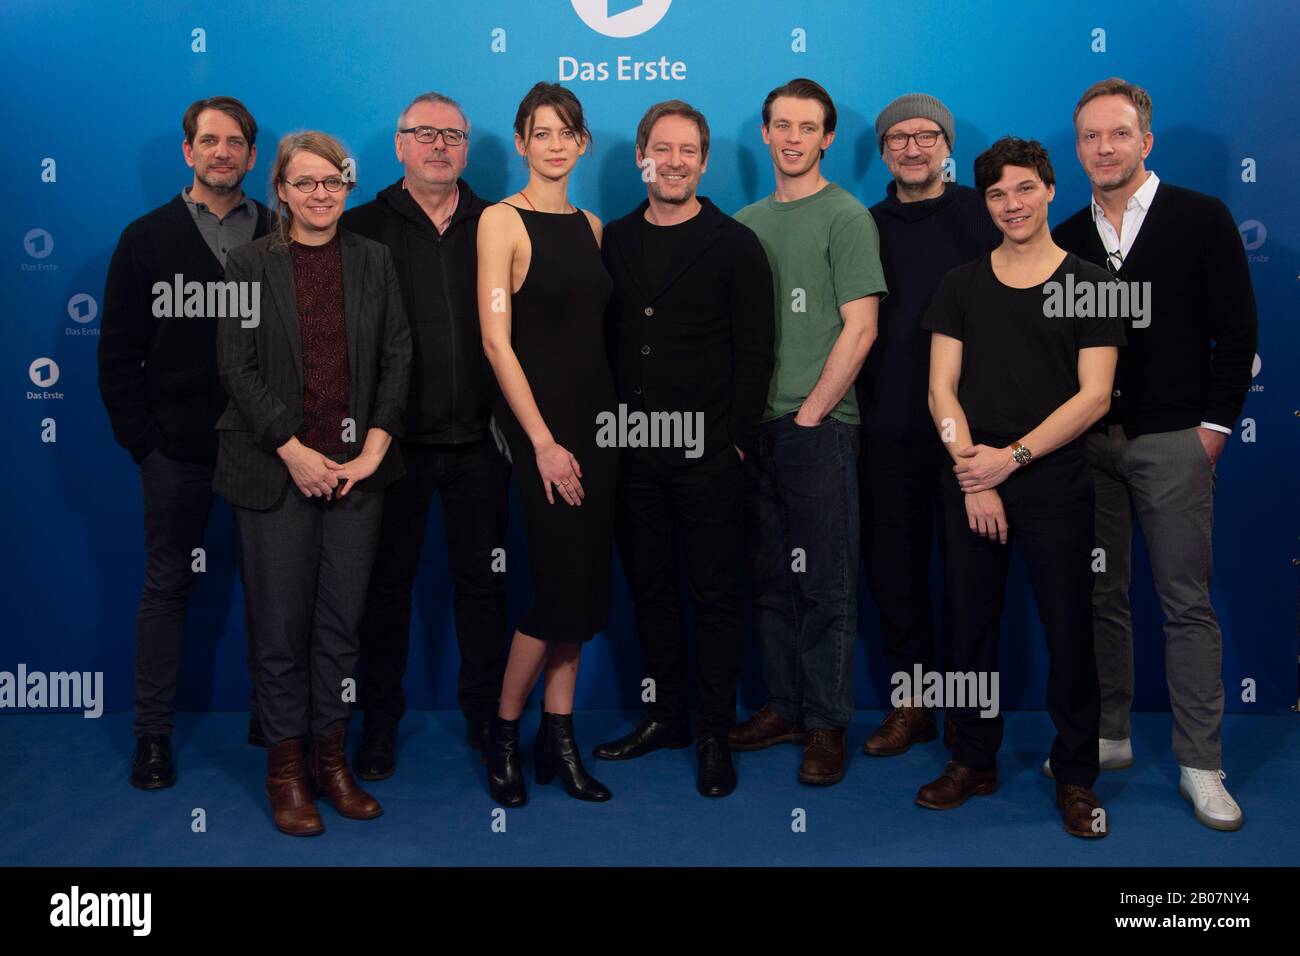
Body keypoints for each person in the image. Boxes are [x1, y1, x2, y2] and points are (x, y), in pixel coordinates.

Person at [1051, 78, 1258, 831]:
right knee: (1101, 596)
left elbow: (1237, 333)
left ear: (1146, 140)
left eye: (1117, 134)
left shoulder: (1200, 218)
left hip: (1174, 443)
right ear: (1077, 149)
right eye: (1089, 138)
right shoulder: (1066, 234)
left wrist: (1214, 430)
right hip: (1088, 448)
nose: (1103, 149)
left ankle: (1202, 764)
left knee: (1185, 604)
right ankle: (1109, 735)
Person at [919, 137, 1124, 838]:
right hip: (972, 482)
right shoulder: (961, 284)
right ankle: (971, 757)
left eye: (1025, 189)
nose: (1012, 204)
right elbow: (941, 387)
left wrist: (1013, 458)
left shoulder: (1092, 282)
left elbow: (1095, 396)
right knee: (969, 628)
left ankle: (1074, 776)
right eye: (998, 194)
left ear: (1049, 189)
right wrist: (972, 473)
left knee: (1070, 633)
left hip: (1053, 484)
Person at [215, 131, 412, 836]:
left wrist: (374, 451)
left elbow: (397, 356)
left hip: (358, 474)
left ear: (348, 186)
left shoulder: (373, 259)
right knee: (279, 631)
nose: (321, 194)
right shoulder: (246, 265)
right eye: (305, 183)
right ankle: (286, 772)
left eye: (332, 181)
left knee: (338, 629)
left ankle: (333, 762)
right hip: (275, 471)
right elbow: (236, 368)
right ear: (283, 191)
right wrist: (294, 451)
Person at [593, 100, 775, 797]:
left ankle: (711, 730)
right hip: (633, 454)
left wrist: (731, 444)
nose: (673, 162)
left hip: (708, 454)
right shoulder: (613, 239)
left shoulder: (734, 244)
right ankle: (664, 715)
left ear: (704, 161)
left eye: (687, 151)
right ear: (642, 156)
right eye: (660, 149)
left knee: (714, 594)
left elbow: (756, 352)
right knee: (650, 589)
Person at [99, 96, 271, 791]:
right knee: (168, 585)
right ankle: (153, 738)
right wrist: (146, 443)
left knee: (274, 591)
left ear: (253, 157)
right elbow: (117, 352)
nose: (221, 152)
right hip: (175, 451)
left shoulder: (283, 231)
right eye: (209, 141)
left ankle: (277, 723)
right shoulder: (146, 238)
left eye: (235, 143)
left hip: (265, 446)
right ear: (187, 151)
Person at [343, 92, 509, 780]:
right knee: (385, 591)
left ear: (466, 148)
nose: (440, 146)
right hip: (391, 447)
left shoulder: (499, 223)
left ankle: (485, 721)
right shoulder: (360, 227)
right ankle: (379, 725)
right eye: (424, 134)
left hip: (483, 445)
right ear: (400, 145)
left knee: (484, 590)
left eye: (452, 135)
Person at [731, 78, 886, 786]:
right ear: (766, 134)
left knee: (827, 586)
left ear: (827, 138)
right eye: (781, 125)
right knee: (768, 581)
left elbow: (862, 326)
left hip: (819, 430)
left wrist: (813, 412)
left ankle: (827, 724)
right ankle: (783, 707)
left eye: (808, 127)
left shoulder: (847, 216)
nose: (793, 138)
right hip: (756, 433)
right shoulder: (746, 222)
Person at [477, 83, 617, 806]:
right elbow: (498, 344)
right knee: (557, 591)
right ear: (522, 141)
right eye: (541, 132)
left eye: (567, 132)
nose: (555, 144)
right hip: (544, 433)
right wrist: (541, 442)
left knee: (587, 596)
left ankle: (556, 737)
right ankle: (504, 731)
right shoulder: (502, 221)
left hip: (599, 431)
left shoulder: (593, 227)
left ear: (582, 142)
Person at [858, 94, 1000, 757]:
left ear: (947, 145)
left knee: (970, 586)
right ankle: (911, 706)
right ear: (883, 150)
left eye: (926, 136)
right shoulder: (864, 224)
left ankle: (968, 727)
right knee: (896, 577)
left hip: (972, 440)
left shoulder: (986, 213)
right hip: (886, 430)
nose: (912, 148)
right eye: (898, 139)